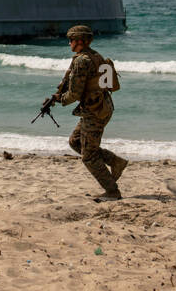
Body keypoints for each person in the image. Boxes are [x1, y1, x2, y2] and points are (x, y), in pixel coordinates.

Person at [47, 25, 127, 199]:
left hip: (94, 111)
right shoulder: (94, 55)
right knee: (75, 142)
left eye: (71, 40)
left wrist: (59, 100)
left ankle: (112, 191)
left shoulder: (82, 61)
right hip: (101, 107)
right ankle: (115, 162)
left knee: (89, 156)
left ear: (80, 42)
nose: (69, 43)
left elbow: (74, 94)